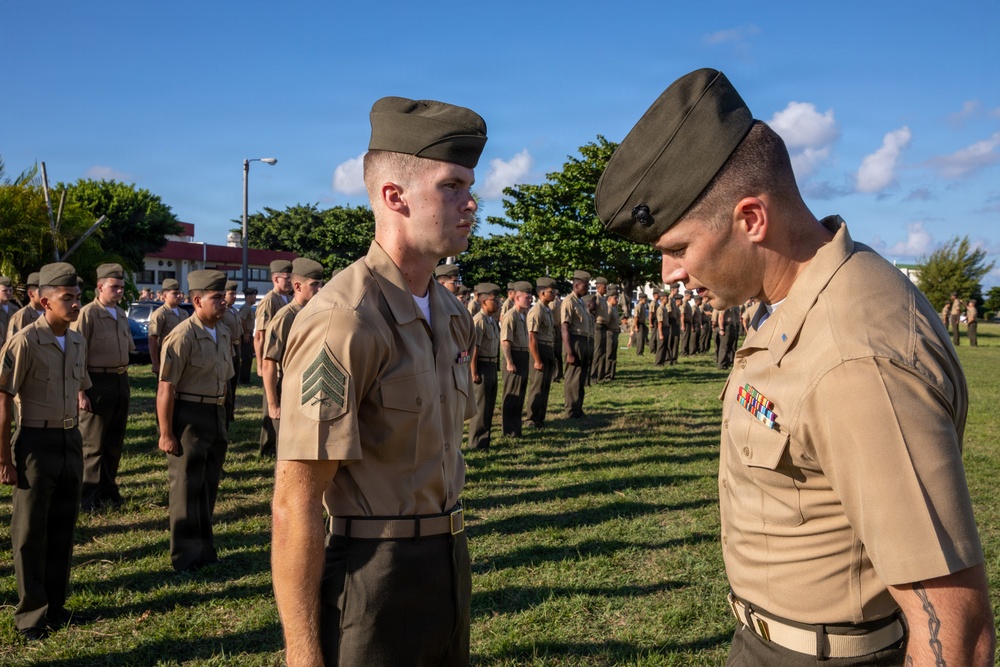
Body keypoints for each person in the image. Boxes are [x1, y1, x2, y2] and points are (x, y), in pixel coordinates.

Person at [595, 67, 994, 665]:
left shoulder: (854, 356)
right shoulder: (794, 296)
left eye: (678, 249)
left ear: (751, 219)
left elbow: (954, 632)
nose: (669, 275)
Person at [271, 95, 484, 667]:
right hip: (374, 572)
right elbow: (296, 499)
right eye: (452, 186)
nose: (472, 202)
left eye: (470, 186)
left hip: (448, 558)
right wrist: (303, 652)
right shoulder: (345, 319)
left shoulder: (447, 310)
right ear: (395, 196)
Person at [0, 262, 91, 640]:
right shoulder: (23, 342)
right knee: (30, 532)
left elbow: (80, 388)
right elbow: (3, 400)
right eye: (66, 298)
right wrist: (4, 457)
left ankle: (56, 604)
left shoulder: (77, 340)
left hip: (71, 440)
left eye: (77, 298)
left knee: (62, 527)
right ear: (42, 301)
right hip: (35, 443)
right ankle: (31, 616)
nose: (74, 305)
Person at [155, 270, 233, 573]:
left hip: (214, 413)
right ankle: (185, 558)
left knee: (208, 485)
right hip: (188, 414)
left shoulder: (223, 331)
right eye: (217, 297)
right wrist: (166, 433)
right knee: (186, 488)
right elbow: (166, 388)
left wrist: (223, 414)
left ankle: (204, 550)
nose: (224, 302)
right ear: (197, 300)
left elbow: (224, 379)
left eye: (224, 296)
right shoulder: (182, 335)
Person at [71, 263, 134, 512]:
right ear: (100, 286)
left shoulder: (120, 313)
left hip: (120, 380)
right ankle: (89, 497)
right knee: (93, 445)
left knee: (114, 441)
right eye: (114, 287)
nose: (119, 291)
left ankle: (108, 490)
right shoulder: (87, 314)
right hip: (96, 381)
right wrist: (80, 391)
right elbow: (77, 355)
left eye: (121, 287)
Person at [261, 258, 324, 442]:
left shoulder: (316, 312)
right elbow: (269, 362)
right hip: (288, 386)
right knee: (288, 446)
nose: (320, 289)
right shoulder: (285, 317)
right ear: (297, 286)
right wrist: (273, 404)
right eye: (314, 285)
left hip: (310, 386)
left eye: (321, 284)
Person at [255, 260, 294, 457]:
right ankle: (267, 447)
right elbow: (260, 335)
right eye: (285, 279)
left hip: (285, 359)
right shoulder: (270, 300)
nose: (289, 282)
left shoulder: (288, 299)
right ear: (275, 279)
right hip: (273, 359)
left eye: (291, 278)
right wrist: (261, 364)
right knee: (270, 405)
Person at [467, 283, 501, 450]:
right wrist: (474, 372)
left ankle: (485, 441)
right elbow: (474, 348)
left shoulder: (492, 321)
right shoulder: (478, 320)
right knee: (480, 406)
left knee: (489, 405)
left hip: (492, 364)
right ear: (484, 301)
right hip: (482, 366)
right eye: (495, 300)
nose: (499, 303)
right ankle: (476, 443)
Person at [500, 281, 532, 437]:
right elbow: (505, 341)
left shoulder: (523, 315)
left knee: (520, 394)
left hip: (523, 354)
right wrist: (509, 361)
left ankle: (516, 428)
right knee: (512, 395)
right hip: (514, 355)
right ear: (517, 298)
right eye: (527, 297)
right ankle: (509, 431)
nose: (530, 299)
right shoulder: (510, 316)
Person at [525, 277, 556, 428]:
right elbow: (532, 337)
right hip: (540, 349)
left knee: (545, 385)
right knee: (537, 385)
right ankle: (531, 418)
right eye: (551, 291)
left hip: (548, 348)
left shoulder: (547, 309)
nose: (554, 293)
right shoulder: (536, 310)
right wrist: (537, 359)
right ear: (542, 293)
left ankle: (540, 417)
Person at [561, 270, 591, 418]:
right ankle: (571, 410)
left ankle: (578, 408)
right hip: (574, 340)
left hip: (583, 340)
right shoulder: (568, 301)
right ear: (576, 285)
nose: (587, 289)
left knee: (581, 376)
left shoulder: (580, 302)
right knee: (573, 377)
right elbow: (565, 327)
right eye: (585, 286)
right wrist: (570, 352)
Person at [148, 278, 189, 377]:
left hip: (182, 357)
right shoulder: (160, 314)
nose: (179, 296)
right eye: (175, 293)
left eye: (179, 293)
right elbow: (152, 339)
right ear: (165, 296)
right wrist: (155, 363)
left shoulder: (184, 313)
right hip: (166, 358)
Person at [219, 281, 242, 425]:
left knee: (233, 384)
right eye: (231, 293)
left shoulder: (234, 311)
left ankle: (231, 412)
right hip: (225, 350)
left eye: (234, 293)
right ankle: (225, 412)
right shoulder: (222, 312)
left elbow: (238, 333)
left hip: (235, 349)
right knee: (225, 384)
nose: (233, 296)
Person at [7, 272, 43, 337]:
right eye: (42, 291)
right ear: (31, 294)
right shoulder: (21, 316)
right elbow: (15, 344)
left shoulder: (52, 313)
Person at [590, 277, 609, 382]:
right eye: (604, 287)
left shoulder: (603, 298)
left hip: (604, 326)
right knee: (597, 351)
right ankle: (593, 375)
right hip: (597, 325)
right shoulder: (595, 298)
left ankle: (601, 375)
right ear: (599, 287)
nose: (606, 289)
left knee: (603, 352)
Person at [238, 287, 258, 384]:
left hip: (249, 334)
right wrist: (245, 333)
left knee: (249, 357)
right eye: (254, 296)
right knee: (246, 357)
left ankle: (246, 378)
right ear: (249, 297)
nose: (255, 299)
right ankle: (244, 379)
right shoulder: (246, 307)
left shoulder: (249, 307)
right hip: (246, 335)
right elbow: (242, 319)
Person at [604, 286, 621, 380]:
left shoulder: (614, 308)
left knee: (614, 354)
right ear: (609, 298)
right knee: (609, 354)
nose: (617, 299)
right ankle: (607, 374)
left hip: (615, 333)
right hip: (610, 333)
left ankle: (612, 373)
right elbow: (605, 322)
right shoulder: (608, 308)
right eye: (615, 298)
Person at [0, 275, 16, 345]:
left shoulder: (15, 309)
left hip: (11, 347)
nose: (9, 293)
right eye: (5, 291)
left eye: (10, 290)